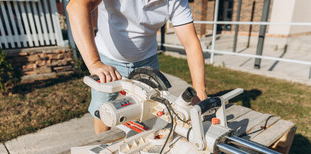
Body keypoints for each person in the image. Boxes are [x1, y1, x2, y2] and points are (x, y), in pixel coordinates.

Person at [67, 0, 207, 134]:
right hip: (108, 60)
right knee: (104, 112)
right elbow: (76, 6)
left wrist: (200, 91)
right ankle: (103, 146)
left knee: (151, 111)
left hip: (146, 61)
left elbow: (190, 43)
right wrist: (94, 62)